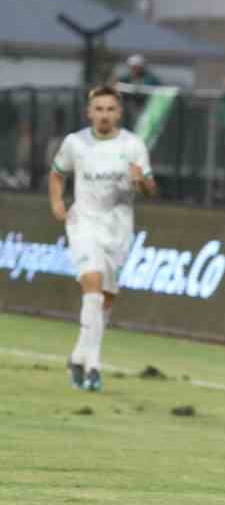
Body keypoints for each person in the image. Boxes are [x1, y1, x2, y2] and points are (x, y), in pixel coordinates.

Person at [47, 86, 157, 392]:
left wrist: (141, 181)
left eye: (110, 109)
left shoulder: (133, 145)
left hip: (118, 228)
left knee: (106, 299)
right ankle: (94, 363)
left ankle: (78, 356)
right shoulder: (75, 143)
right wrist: (57, 203)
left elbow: (151, 187)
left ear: (118, 113)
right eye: (99, 109)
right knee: (92, 284)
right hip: (84, 222)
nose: (104, 115)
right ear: (89, 112)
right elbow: (57, 173)